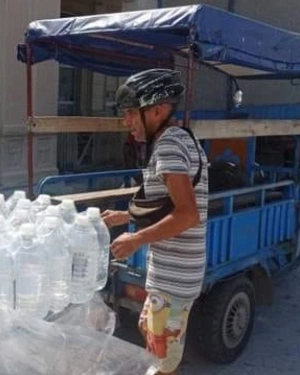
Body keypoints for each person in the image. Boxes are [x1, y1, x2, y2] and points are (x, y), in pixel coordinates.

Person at [101, 69, 208, 375]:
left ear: (157, 110)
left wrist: (135, 239)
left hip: (174, 278)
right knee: (150, 332)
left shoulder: (169, 147)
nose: (127, 122)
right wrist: (125, 216)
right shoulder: (177, 139)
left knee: (162, 361)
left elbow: (187, 214)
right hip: (171, 276)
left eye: (132, 113)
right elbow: (164, 203)